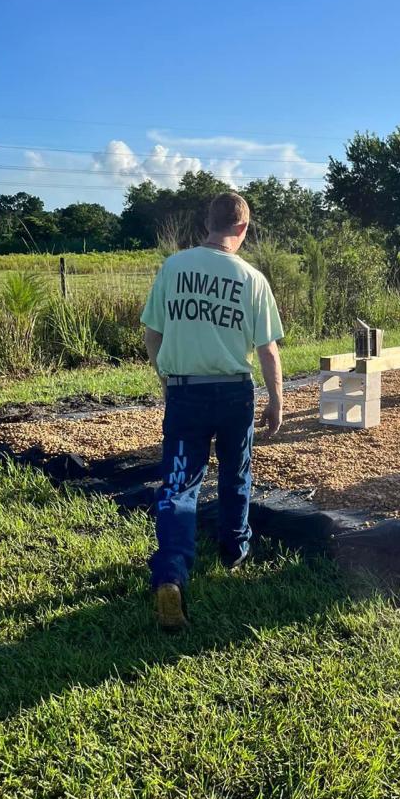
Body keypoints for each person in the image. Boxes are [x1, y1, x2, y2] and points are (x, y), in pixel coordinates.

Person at [140, 192, 284, 631]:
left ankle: (170, 573)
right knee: (235, 473)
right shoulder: (252, 278)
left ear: (208, 222)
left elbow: (152, 333)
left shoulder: (173, 267)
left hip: (186, 392)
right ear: (242, 228)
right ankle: (234, 549)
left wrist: (167, 379)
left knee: (179, 485)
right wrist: (276, 399)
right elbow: (268, 349)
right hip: (234, 393)